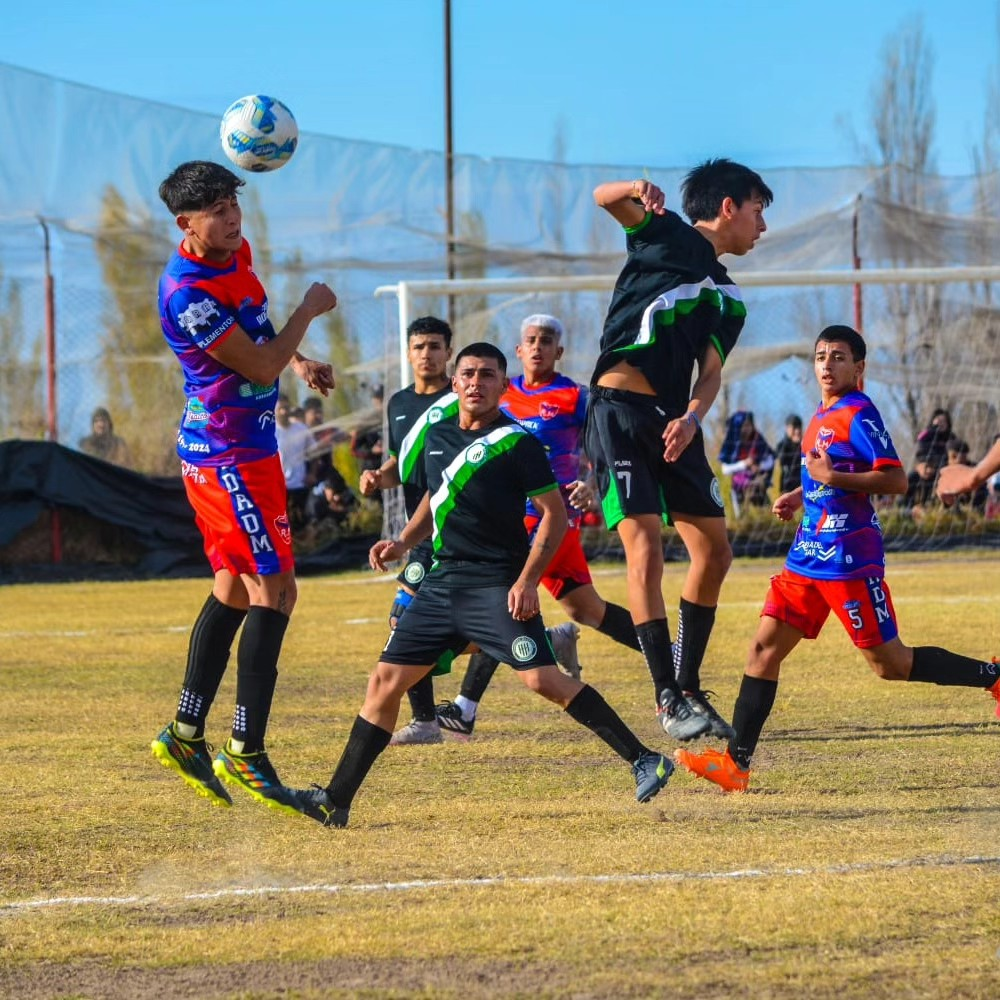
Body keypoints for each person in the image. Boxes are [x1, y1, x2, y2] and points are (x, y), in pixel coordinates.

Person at [294, 343, 673, 827]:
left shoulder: (518, 443)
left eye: (487, 375)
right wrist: (402, 542)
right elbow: (436, 495)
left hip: (497, 584)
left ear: (503, 385)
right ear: (455, 384)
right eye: (468, 375)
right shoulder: (436, 433)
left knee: (543, 680)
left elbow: (554, 517)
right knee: (383, 683)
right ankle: (335, 800)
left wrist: (529, 580)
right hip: (440, 581)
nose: (476, 382)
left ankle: (644, 758)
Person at [676, 325, 1000, 793]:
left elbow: (894, 481)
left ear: (859, 367)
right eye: (821, 356)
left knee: (890, 665)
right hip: (807, 557)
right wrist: (800, 494)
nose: (827, 364)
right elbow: (828, 474)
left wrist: (831, 478)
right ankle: (736, 766)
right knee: (763, 651)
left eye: (839, 357)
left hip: (848, 559)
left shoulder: (859, 413)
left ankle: (993, 677)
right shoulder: (820, 414)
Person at [149, 160, 337, 814]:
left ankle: (183, 733)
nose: (234, 220)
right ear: (186, 223)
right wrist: (308, 315)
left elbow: (257, 336)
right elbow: (258, 361)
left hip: (245, 448)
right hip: (227, 457)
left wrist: (301, 359)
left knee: (233, 587)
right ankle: (246, 750)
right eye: (220, 211)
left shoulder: (235, 254)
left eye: (235, 205)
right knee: (276, 590)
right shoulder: (187, 293)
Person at [584, 161, 772, 742]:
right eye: (759, 209)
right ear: (727, 208)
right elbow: (601, 198)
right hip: (617, 414)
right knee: (644, 550)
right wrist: (633, 188)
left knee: (715, 552)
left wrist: (693, 417)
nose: (763, 226)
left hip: (675, 424)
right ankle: (666, 696)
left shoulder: (730, 298)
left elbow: (710, 375)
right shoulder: (665, 232)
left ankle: (687, 687)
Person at [433, 313, 650, 740]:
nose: (537, 347)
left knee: (504, 597)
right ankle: (669, 657)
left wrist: (593, 483)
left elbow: (606, 443)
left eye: (546, 340)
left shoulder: (574, 396)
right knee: (585, 608)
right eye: (530, 339)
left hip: (552, 517)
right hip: (508, 516)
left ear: (559, 351)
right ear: (518, 351)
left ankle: (464, 708)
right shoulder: (497, 393)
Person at [718, 410, 776, 514]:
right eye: (744, 426)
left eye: (749, 425)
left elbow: (770, 460)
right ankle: (741, 519)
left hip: (757, 482)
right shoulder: (732, 442)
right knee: (741, 508)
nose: (747, 429)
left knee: (761, 495)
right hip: (738, 485)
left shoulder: (757, 439)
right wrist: (744, 464)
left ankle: (766, 516)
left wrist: (759, 466)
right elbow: (725, 469)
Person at [901, 407, 952, 510]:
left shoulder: (950, 439)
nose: (940, 423)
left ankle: (938, 508)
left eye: (944, 421)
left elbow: (951, 456)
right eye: (938, 420)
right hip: (924, 469)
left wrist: (937, 468)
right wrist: (922, 466)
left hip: (942, 471)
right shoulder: (926, 435)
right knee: (911, 478)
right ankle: (905, 507)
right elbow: (919, 451)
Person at [275, 393, 313, 530]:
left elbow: (314, 453)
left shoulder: (301, 429)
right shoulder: (270, 431)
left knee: (302, 521)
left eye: (286, 407)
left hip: (300, 483)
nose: (284, 411)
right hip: (280, 486)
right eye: (280, 408)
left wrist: (312, 474)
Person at [938, 434, 1000, 514]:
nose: (957, 461)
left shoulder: (976, 470)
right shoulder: (939, 472)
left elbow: (979, 501)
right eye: (954, 457)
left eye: (962, 458)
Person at [773, 413, 803, 494]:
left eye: (799, 427)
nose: (797, 431)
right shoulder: (782, 446)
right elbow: (780, 463)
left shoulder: (804, 445)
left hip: (801, 486)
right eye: (794, 427)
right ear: (787, 428)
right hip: (784, 487)